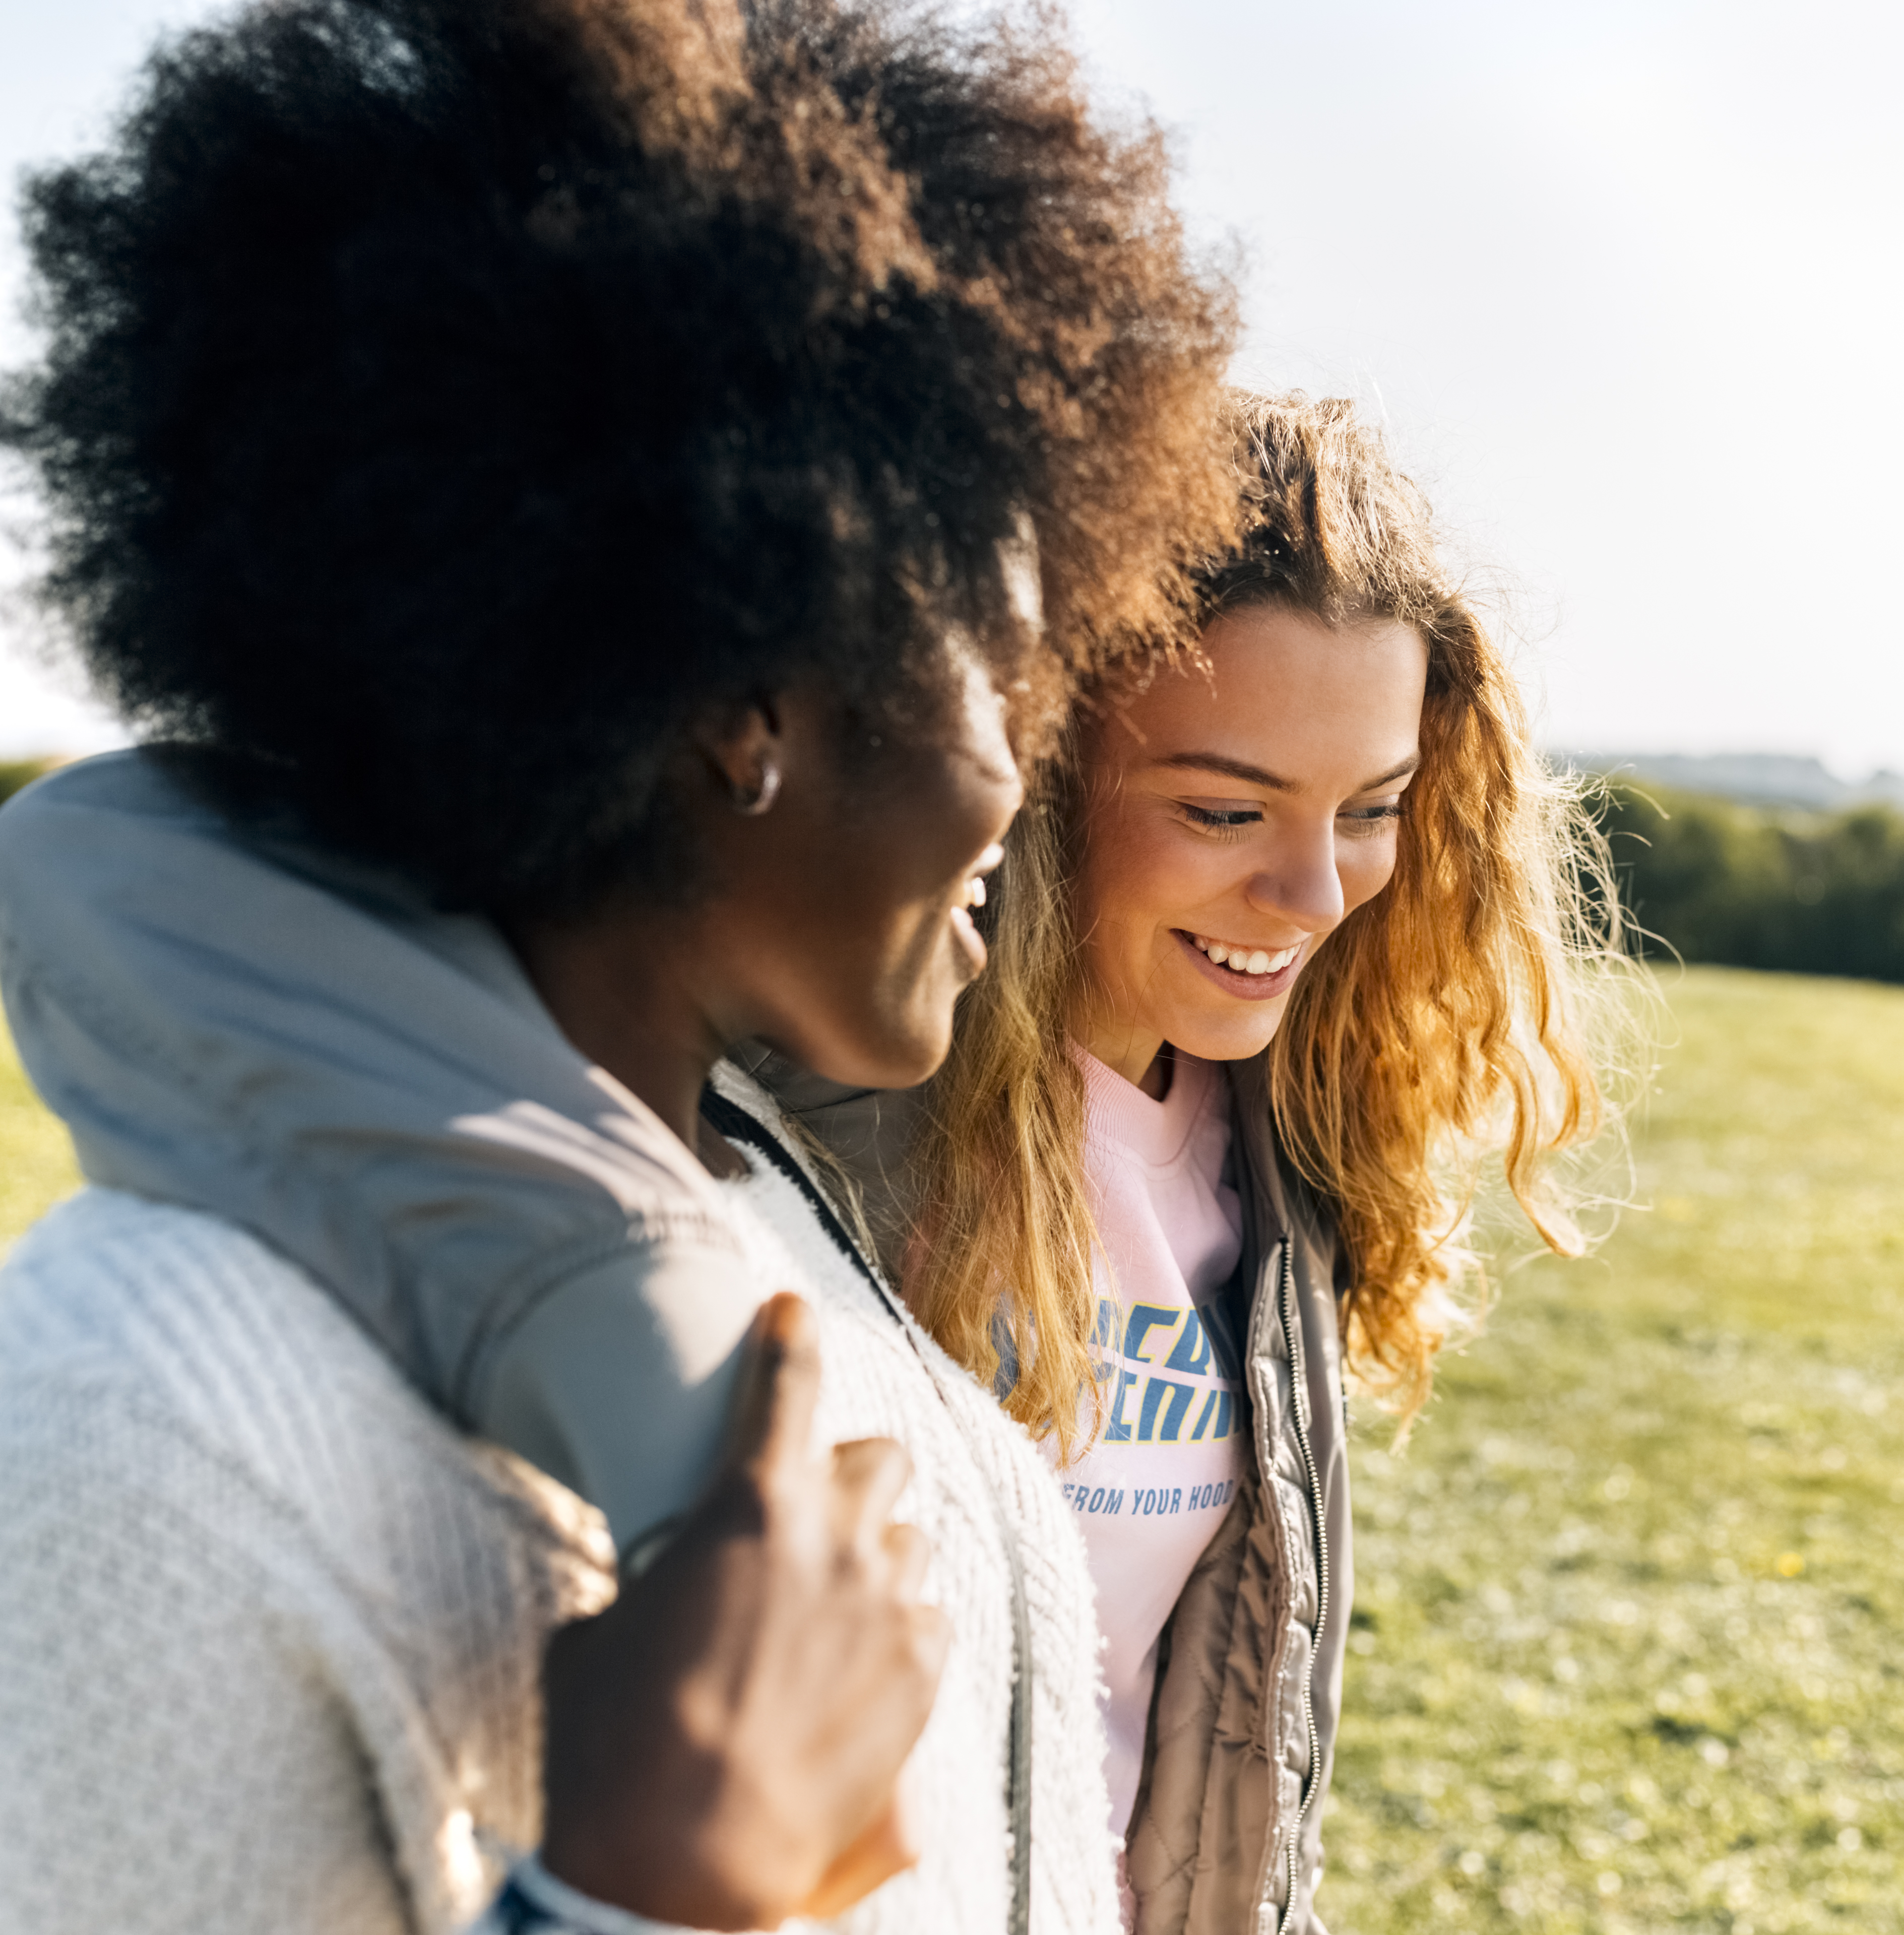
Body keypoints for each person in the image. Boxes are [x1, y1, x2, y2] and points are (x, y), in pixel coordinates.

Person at [0, 0, 1236, 1928]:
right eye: (1007, 667)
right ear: (752, 703)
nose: (1033, 764)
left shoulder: (769, 1219)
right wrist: (647, 1895)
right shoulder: (138, 1411)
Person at [845, 392, 1638, 1932]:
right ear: (1037, 767)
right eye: (1222, 807)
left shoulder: (1282, 1164)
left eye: (1372, 811)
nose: (1307, 889)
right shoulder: (837, 1116)